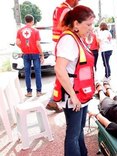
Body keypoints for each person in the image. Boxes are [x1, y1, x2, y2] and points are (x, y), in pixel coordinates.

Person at [53, 5, 95, 156]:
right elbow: (59, 69)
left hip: (80, 94)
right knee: (73, 134)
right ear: (76, 23)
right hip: (74, 95)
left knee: (78, 130)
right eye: (88, 25)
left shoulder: (77, 38)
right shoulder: (68, 40)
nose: (91, 28)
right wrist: (73, 95)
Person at [47, 0, 79, 112]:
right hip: (64, 43)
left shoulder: (60, 7)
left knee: (62, 73)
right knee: (64, 73)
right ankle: (55, 99)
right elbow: (64, 26)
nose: (79, 2)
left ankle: (53, 100)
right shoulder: (65, 9)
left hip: (60, 42)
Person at [16, 14, 44, 97]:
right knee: (37, 72)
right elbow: (38, 44)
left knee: (27, 73)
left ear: (25, 21)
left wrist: (23, 48)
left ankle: (29, 92)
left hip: (26, 54)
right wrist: (41, 54)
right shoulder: (35, 31)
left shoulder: (19, 31)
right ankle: (39, 92)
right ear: (32, 21)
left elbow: (17, 43)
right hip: (35, 54)